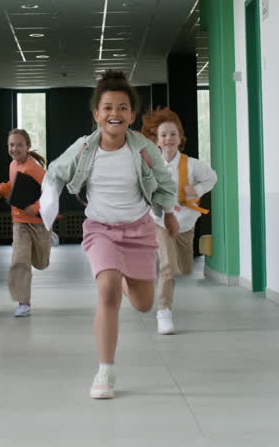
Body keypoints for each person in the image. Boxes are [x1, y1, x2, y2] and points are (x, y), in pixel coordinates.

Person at [40, 72, 177, 399]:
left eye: (122, 107)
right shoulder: (84, 148)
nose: (115, 113)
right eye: (108, 107)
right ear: (97, 114)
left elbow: (164, 184)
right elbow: (54, 172)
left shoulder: (144, 149)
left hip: (139, 229)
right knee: (108, 290)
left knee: (144, 304)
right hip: (100, 229)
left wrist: (168, 212)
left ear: (132, 115)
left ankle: (123, 278)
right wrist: (49, 200)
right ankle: (105, 371)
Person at [139, 107, 218, 335]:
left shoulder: (192, 164)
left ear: (180, 137)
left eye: (173, 134)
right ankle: (164, 313)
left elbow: (212, 178)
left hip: (186, 223)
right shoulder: (151, 167)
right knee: (167, 267)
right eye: (163, 135)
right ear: (156, 140)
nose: (168, 138)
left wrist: (197, 190)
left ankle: (173, 273)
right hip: (161, 222)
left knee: (183, 267)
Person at [0, 129, 49, 318]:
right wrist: (2, 188)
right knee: (20, 260)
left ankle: (49, 236)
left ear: (28, 146)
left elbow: (51, 191)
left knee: (41, 263)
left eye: (19, 145)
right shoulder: (12, 165)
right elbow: (15, 184)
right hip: (19, 221)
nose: (15, 148)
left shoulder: (34, 168)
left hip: (38, 222)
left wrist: (36, 207)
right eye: (11, 145)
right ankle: (23, 303)